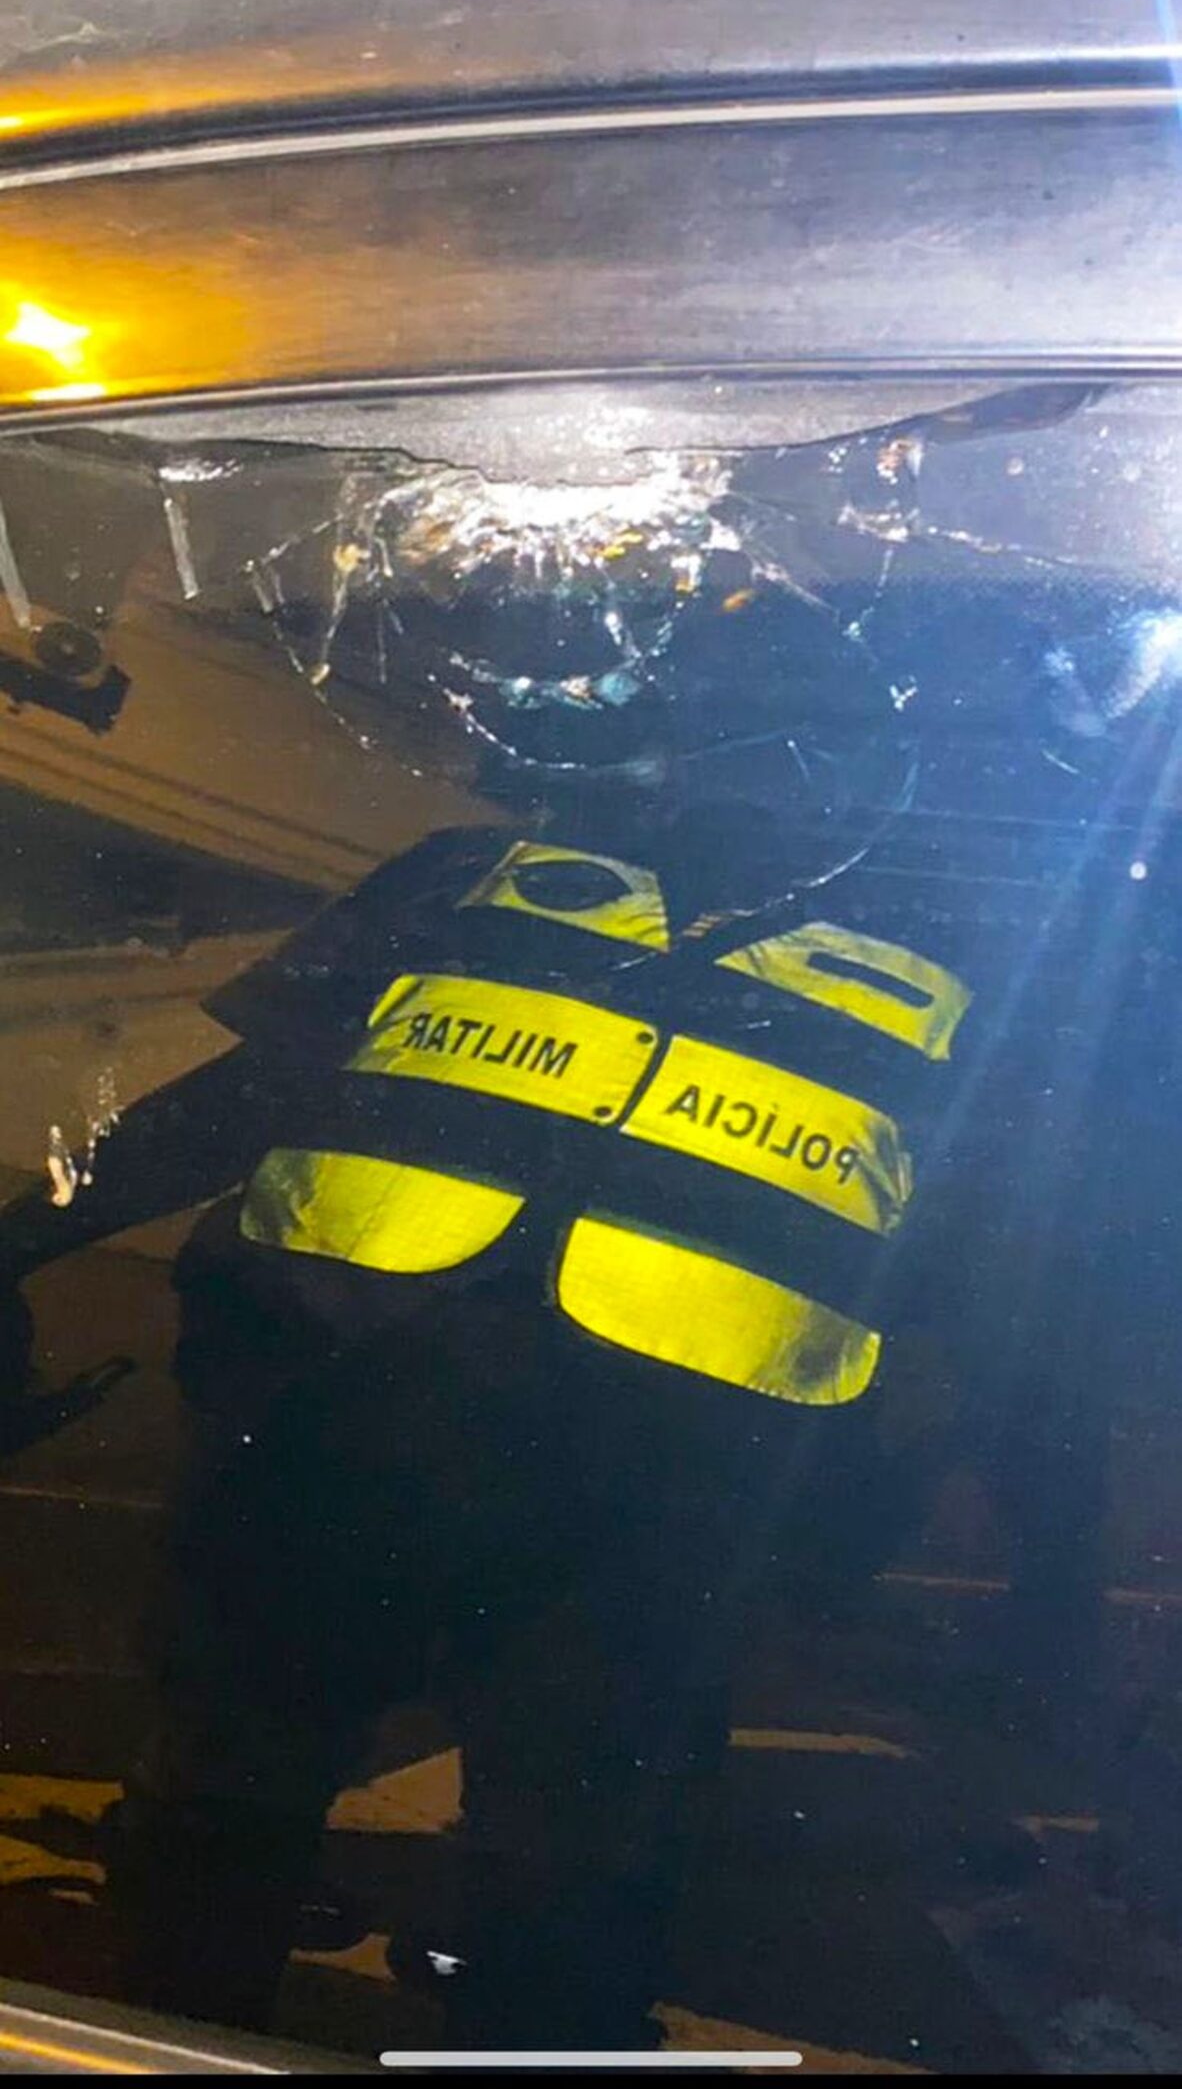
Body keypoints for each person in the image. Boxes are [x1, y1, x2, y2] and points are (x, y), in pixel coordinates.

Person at [0, 510, 1138, 2048]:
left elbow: (1003, 1290)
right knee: (213, 1832)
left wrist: (999, 1549)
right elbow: (246, 1096)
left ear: (878, 775)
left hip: (648, 1527)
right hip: (324, 1443)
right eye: (722, 720)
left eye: (800, 738)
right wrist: (27, 1234)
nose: (747, 763)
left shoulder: (963, 998)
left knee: (570, 1909)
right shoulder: (466, 881)